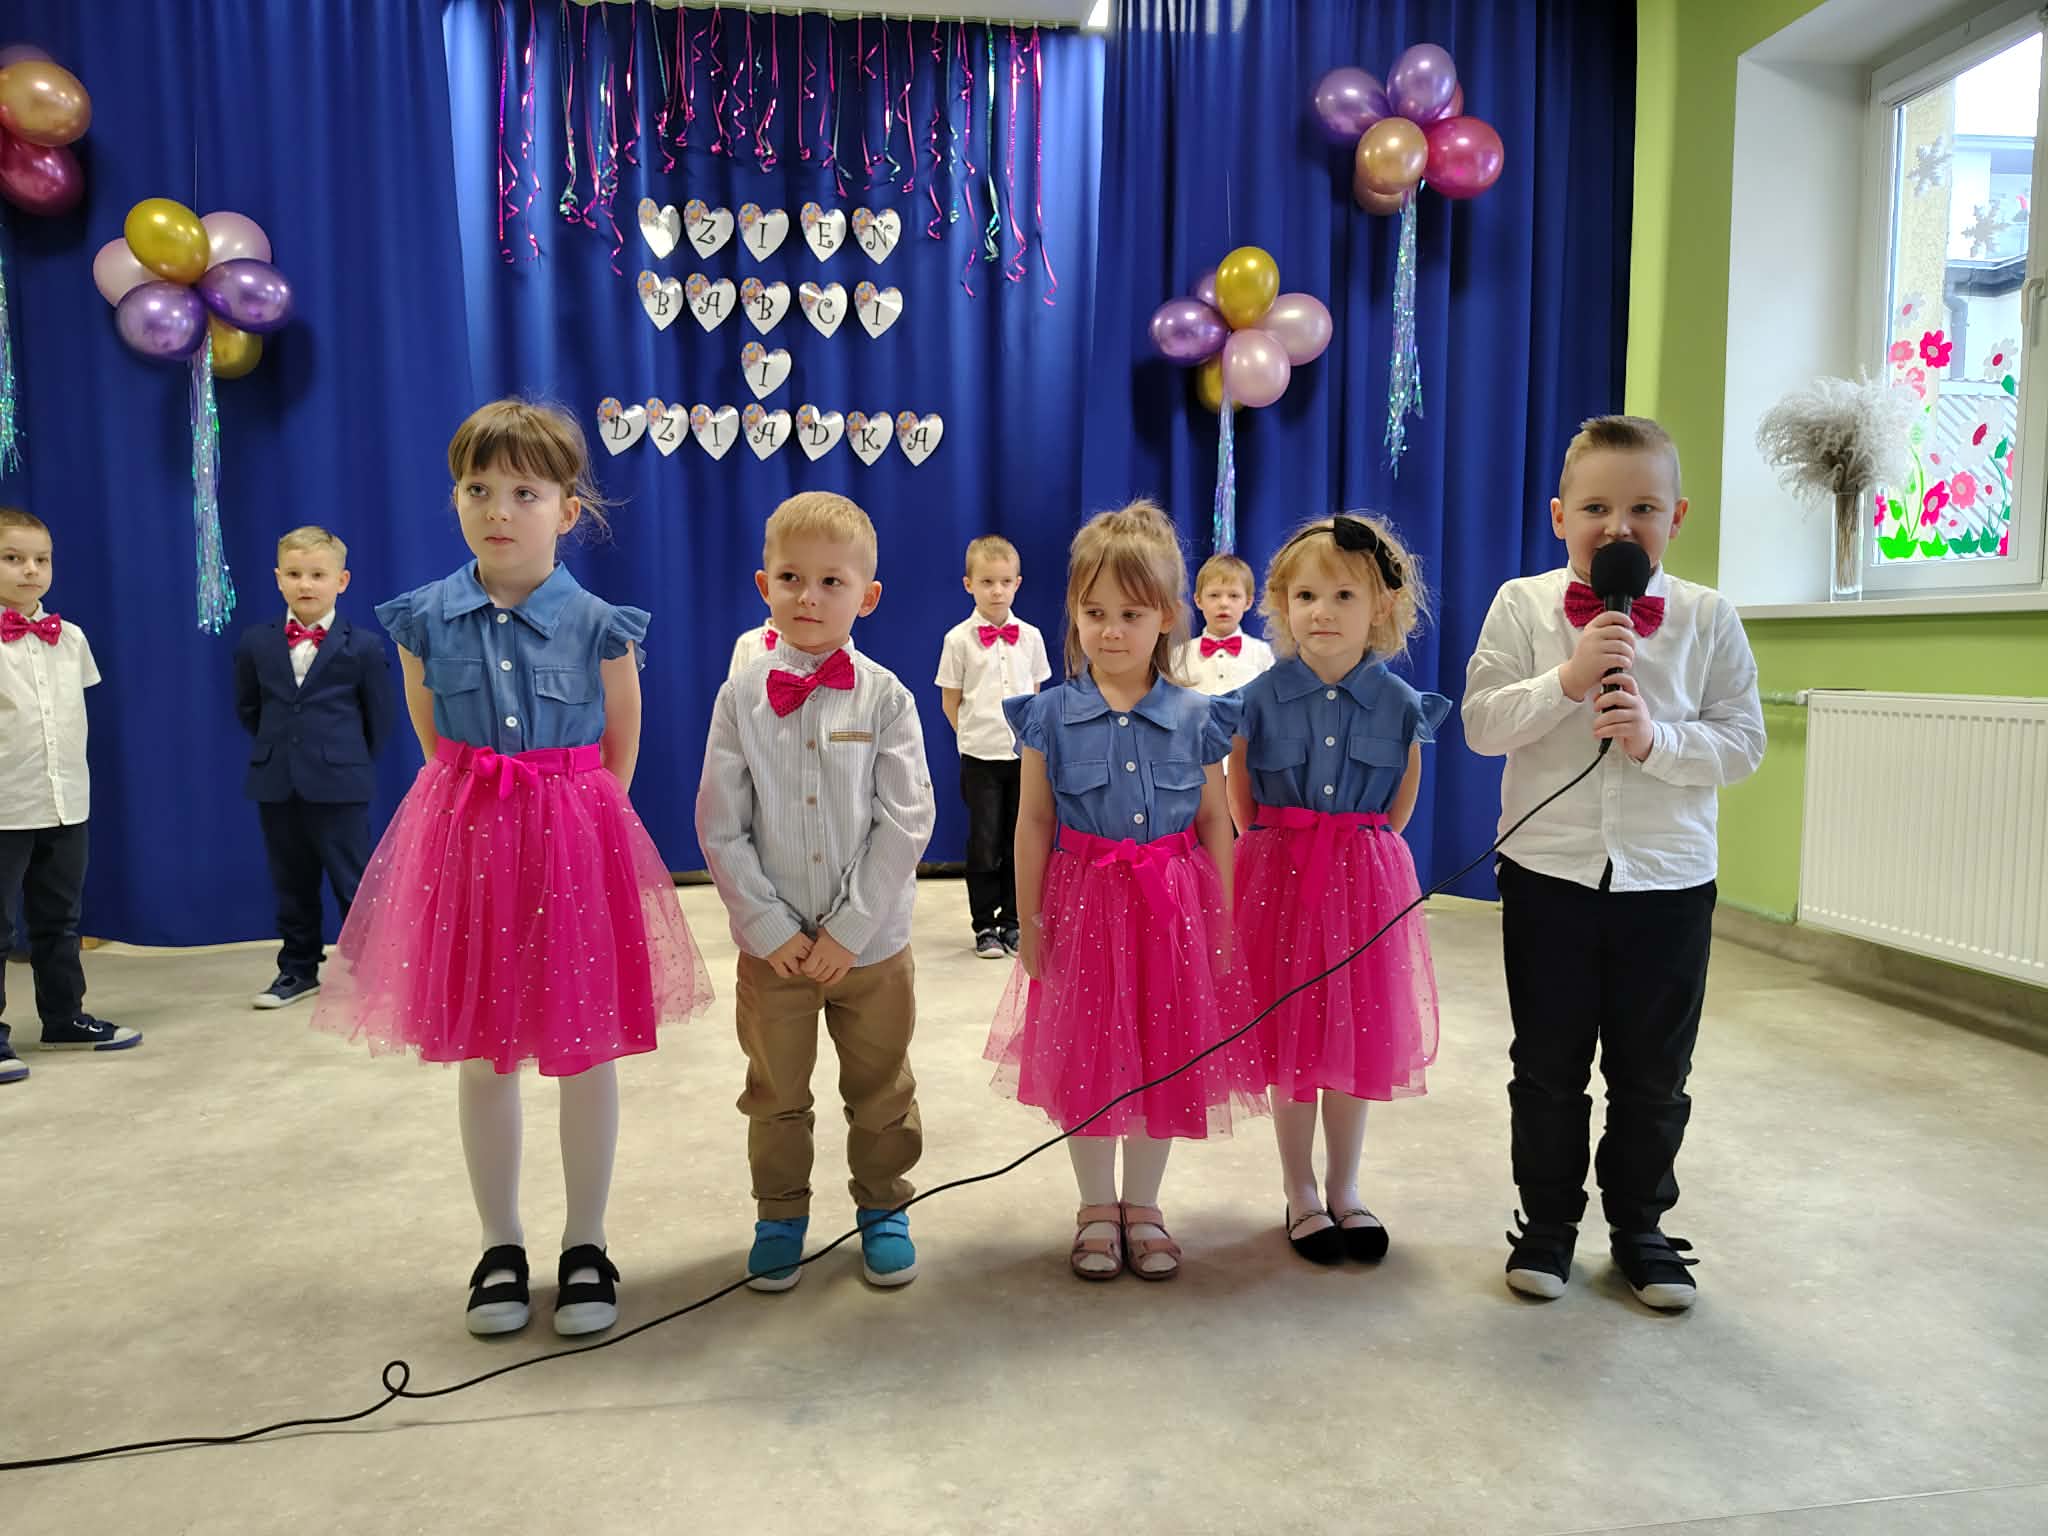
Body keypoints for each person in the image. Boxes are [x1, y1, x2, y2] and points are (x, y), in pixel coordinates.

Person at [311, 399, 713, 1337]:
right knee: (483, 1050)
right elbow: (433, 744)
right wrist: (488, 818)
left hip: (572, 846)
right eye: (477, 488)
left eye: (525, 493)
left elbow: (618, 753)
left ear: (568, 510)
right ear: (455, 498)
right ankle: (500, 1244)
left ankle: (587, 1242)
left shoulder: (601, 625)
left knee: (584, 1050)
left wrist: (569, 830)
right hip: (469, 848)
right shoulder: (423, 620)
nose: (498, 509)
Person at [1463, 414, 1763, 1311]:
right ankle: (1548, 1222)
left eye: (1643, 508)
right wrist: (1565, 680)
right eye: (1595, 507)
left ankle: (1641, 1228)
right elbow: (1481, 725)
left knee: (1653, 1073)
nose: (1618, 527)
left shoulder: (1707, 617)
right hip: (1548, 873)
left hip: (1668, 880)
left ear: (1678, 517)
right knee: (1547, 1065)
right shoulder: (1523, 605)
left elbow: (1743, 743)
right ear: (1560, 516)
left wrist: (1656, 740)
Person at [699, 492, 936, 1293]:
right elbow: (720, 825)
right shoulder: (739, 697)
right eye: (791, 578)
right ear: (762, 584)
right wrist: (768, 926)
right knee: (774, 1090)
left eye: (832, 581)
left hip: (872, 950)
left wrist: (849, 928)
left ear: (867, 597)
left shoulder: (887, 697)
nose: (809, 596)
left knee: (882, 1086)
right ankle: (779, 1214)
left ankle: (883, 1205)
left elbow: (906, 820)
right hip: (775, 954)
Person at [1228, 514, 1447, 1265]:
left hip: (1362, 884)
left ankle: (1345, 1187)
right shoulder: (1255, 700)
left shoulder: (1402, 703)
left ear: (1381, 605)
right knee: (1292, 1040)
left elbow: (1399, 808)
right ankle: (1300, 1192)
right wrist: (1277, 852)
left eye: (1344, 595)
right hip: (1279, 879)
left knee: (1354, 1038)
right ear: (1282, 605)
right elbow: (1240, 797)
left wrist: (1356, 856)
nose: (1322, 612)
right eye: (1306, 596)